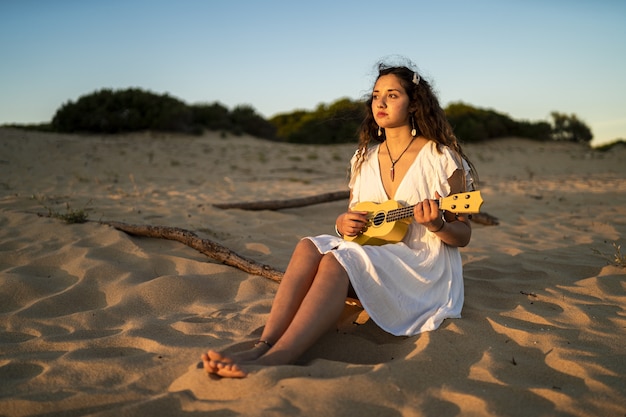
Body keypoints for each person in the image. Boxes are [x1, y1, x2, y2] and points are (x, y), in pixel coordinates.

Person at [202, 59, 477, 378]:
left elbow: (464, 234)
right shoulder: (364, 158)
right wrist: (342, 224)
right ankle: (264, 344)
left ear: (414, 103)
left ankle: (280, 357)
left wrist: (438, 225)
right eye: (376, 96)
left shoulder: (442, 158)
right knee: (308, 247)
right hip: (374, 254)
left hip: (420, 268)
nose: (381, 103)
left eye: (392, 95)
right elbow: (354, 220)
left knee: (337, 262)